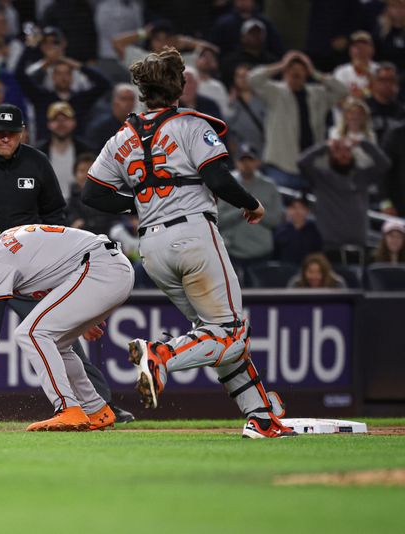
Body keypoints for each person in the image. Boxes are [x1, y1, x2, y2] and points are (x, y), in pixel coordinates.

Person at [84, 47, 295, 438]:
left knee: (214, 335)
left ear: (143, 91)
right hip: (193, 235)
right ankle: (161, 354)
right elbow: (216, 178)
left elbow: (92, 194)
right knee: (230, 333)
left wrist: (139, 200)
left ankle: (261, 416)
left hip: (152, 247)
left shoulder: (122, 136)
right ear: (178, 86)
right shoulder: (190, 125)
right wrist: (252, 203)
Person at [0, 103, 135, 424]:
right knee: (52, 335)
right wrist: (81, 302)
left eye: (12, 133)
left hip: (44, 264)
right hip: (43, 264)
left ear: (23, 132)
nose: (5, 139)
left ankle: (71, 407)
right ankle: (96, 408)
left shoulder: (36, 163)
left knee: (36, 334)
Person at [0, 223, 133, 431]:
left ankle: (67, 408)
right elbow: (56, 264)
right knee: (57, 343)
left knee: (31, 333)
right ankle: (96, 409)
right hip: (105, 267)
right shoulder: (3, 245)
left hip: (100, 268)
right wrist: (79, 310)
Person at [248, 50, 347, 189]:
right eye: (292, 70)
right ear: (285, 73)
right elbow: (253, 79)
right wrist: (281, 65)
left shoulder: (318, 94)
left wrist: (314, 72)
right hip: (281, 165)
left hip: (312, 167)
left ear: (306, 74)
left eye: (301, 70)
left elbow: (342, 90)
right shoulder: (275, 92)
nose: (296, 73)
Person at [298, 138, 390, 265]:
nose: (343, 155)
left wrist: (362, 143)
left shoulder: (362, 176)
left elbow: (384, 164)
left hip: (359, 246)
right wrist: (326, 146)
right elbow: (302, 163)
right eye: (338, 151)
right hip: (330, 247)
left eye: (347, 150)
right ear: (330, 155)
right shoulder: (321, 177)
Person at [217, 144, 283, 272]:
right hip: (231, 252)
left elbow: (276, 220)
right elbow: (216, 219)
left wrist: (256, 210)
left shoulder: (269, 186)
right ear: (236, 162)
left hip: (262, 252)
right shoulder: (224, 184)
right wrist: (243, 210)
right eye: (242, 160)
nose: (246, 164)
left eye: (250, 160)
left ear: (257, 162)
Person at [36, 102, 92, 200]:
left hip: (79, 209)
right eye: (56, 120)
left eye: (65, 119)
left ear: (74, 123)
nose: (60, 124)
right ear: (49, 124)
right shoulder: (38, 152)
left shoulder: (86, 150)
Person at [84, 83, 137, 152]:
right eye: (124, 99)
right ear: (114, 101)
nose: (128, 103)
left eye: (131, 99)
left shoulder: (137, 125)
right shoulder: (100, 127)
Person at [273, 195, 323, 266]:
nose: (297, 211)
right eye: (293, 207)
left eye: (301, 208)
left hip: (308, 273)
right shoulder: (279, 231)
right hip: (284, 272)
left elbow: (318, 256)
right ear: (287, 210)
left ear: (307, 210)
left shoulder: (315, 231)